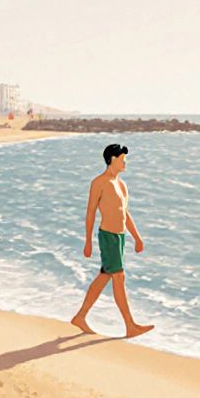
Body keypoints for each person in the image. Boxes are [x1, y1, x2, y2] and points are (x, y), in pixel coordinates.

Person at [70, 143, 154, 338]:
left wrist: (137, 238)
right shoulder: (99, 182)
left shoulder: (121, 185)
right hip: (107, 236)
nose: (125, 162)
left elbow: (125, 213)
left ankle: (80, 317)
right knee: (118, 277)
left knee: (105, 276)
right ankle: (130, 326)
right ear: (112, 159)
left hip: (120, 237)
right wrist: (88, 241)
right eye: (122, 158)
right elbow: (90, 212)